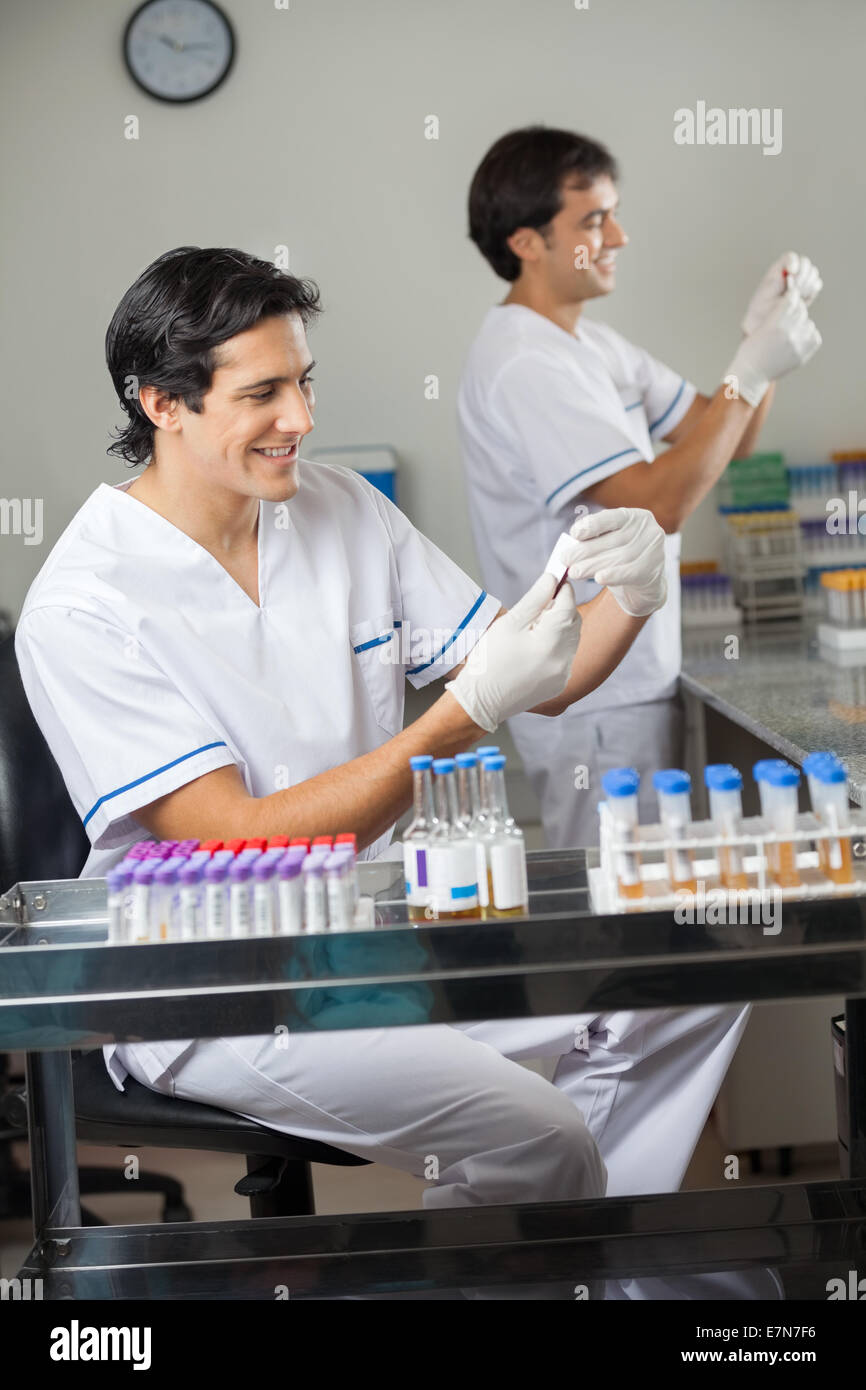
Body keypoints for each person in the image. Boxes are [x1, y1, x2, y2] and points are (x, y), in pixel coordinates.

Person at [16, 247, 739, 1215]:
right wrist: (460, 713)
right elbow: (242, 838)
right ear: (161, 403)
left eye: (304, 382)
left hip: (379, 931)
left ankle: (595, 1262)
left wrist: (637, 594)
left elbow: (544, 674)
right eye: (264, 392)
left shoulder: (342, 509)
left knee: (691, 979)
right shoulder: (87, 598)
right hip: (210, 979)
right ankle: (554, 1238)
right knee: (541, 1135)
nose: (302, 420)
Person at [458, 125, 823, 849]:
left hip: (632, 678)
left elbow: (723, 439)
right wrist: (747, 371)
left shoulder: (589, 344)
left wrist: (759, 348)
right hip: (593, 694)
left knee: (650, 893)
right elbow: (660, 503)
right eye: (594, 220)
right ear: (528, 242)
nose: (619, 235)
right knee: (616, 910)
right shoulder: (525, 363)